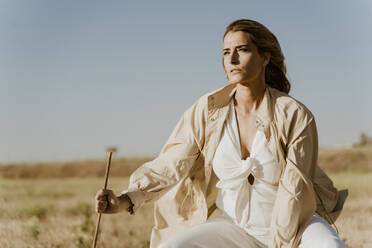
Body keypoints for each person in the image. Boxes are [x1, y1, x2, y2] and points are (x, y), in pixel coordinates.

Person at [95, 19, 346, 248]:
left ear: (265, 57)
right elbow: (171, 164)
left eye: (243, 50)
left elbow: (295, 190)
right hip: (232, 226)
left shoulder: (294, 114)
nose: (232, 59)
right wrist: (124, 200)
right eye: (226, 52)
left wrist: (280, 244)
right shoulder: (208, 109)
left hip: (295, 227)